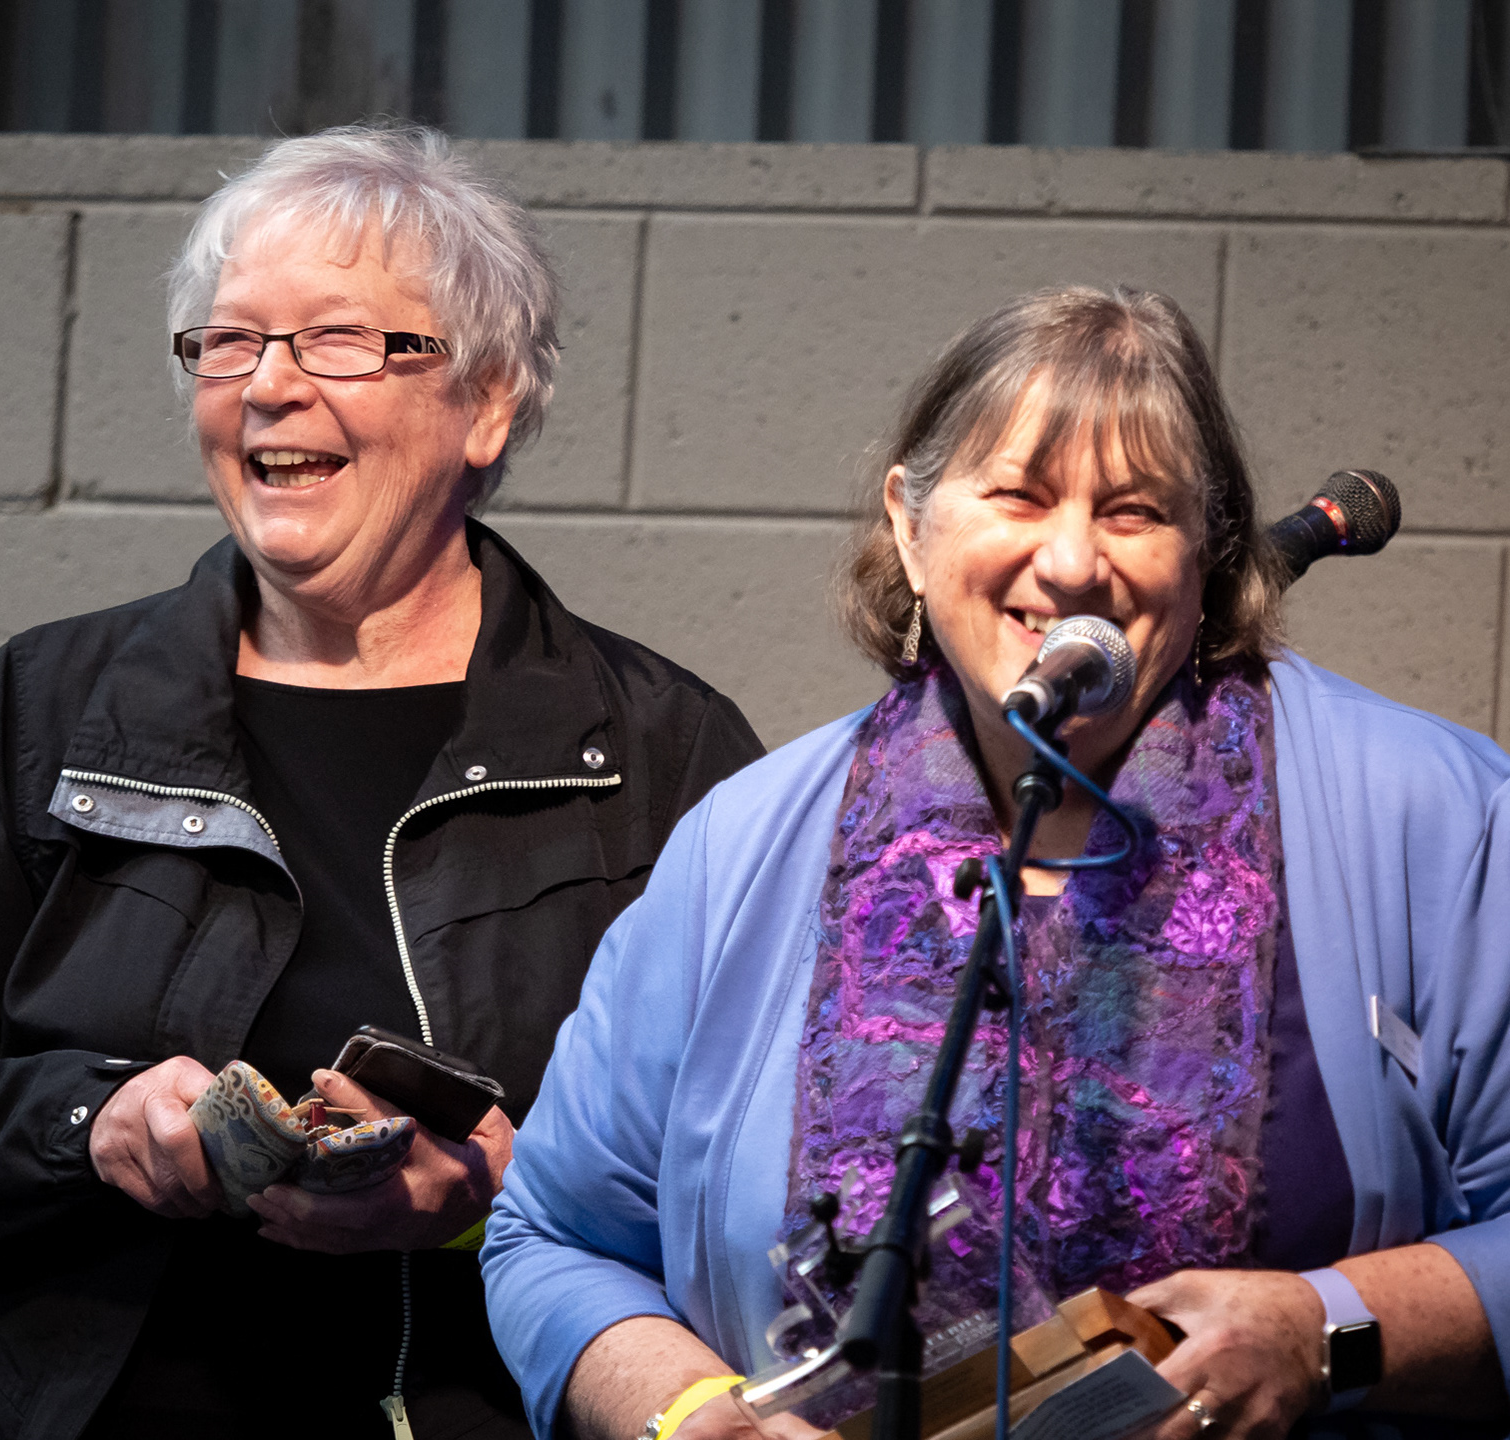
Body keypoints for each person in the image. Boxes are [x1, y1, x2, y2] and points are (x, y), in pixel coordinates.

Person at [0, 126, 763, 1440]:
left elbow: (780, 1186)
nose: (269, 387)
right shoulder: (53, 706)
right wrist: (90, 1123)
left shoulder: (657, 749)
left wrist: (505, 1192)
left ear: (488, 400)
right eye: (228, 343)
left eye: (338, 341)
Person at [482, 286, 1510, 1440]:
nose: (1070, 563)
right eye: (1018, 495)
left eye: (1134, 511)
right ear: (910, 529)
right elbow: (554, 1241)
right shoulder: (742, 845)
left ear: (1209, 552)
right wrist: (688, 1413)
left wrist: (1328, 1331)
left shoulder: (1436, 816)